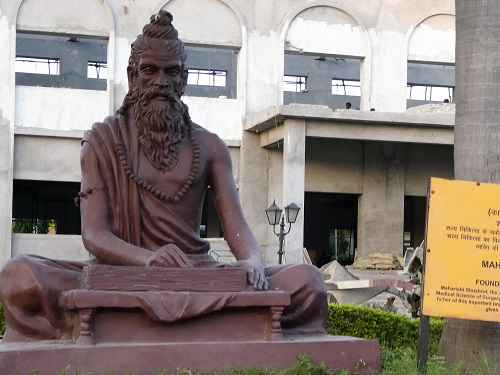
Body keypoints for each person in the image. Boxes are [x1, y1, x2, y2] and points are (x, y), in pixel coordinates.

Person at [0, 11, 327, 342]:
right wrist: (149, 259)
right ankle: (216, 321)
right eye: (149, 71)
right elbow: (95, 234)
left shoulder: (210, 147)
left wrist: (252, 262)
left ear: (183, 79)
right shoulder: (102, 141)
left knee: (308, 281)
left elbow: (236, 225)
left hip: (195, 273)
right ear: (132, 76)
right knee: (17, 275)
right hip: (124, 272)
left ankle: (126, 322)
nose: (161, 82)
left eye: (172, 72)